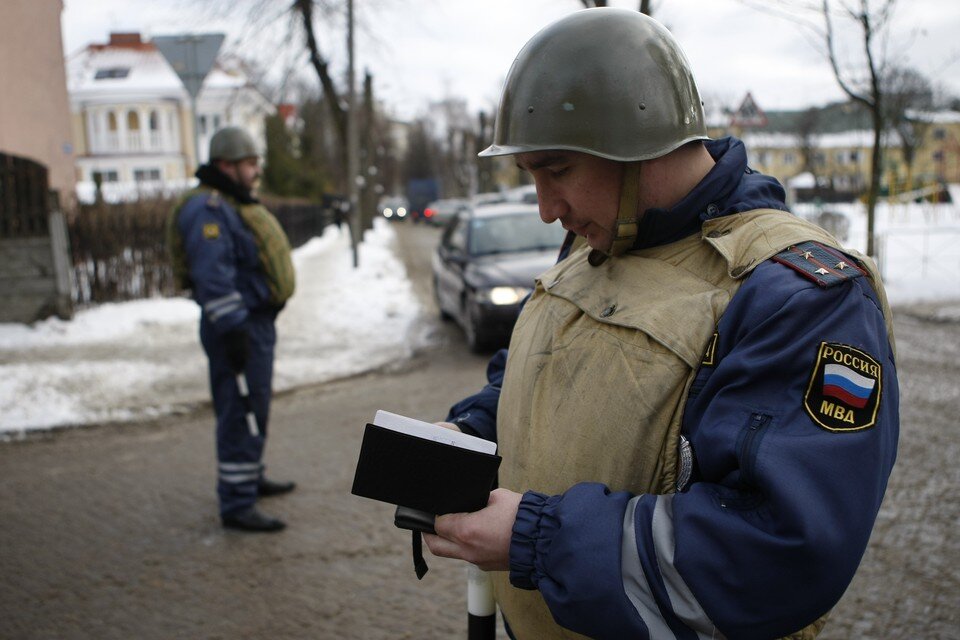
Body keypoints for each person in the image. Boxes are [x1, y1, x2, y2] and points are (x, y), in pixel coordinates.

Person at [423, 8, 899, 640]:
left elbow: (780, 553)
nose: (544, 210)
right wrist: (465, 436)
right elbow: (530, 377)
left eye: (557, 171)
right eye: (530, 176)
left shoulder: (799, 295)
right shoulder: (596, 243)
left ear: (636, 145)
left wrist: (535, 539)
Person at [166, 126, 297, 533]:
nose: (256, 170)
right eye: (249, 163)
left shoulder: (228, 203)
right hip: (234, 327)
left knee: (254, 406)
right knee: (239, 410)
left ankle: (250, 478)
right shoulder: (208, 210)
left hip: (251, 324)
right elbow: (213, 277)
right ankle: (237, 503)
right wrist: (235, 330)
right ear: (226, 164)